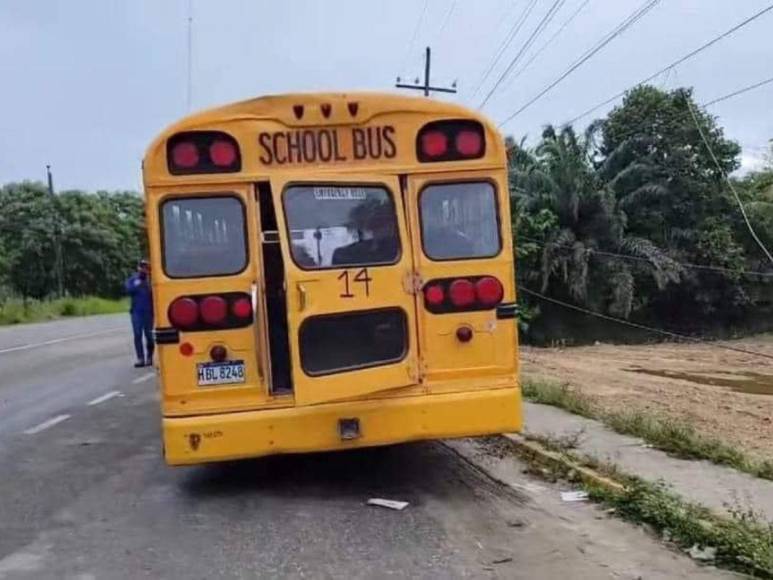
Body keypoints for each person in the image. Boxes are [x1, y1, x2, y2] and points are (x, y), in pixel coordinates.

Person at [125, 259, 154, 368]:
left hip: (149, 312)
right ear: (138, 268)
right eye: (142, 267)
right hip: (136, 312)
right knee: (137, 335)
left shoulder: (151, 280)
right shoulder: (133, 279)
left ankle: (150, 356)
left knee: (150, 336)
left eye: (146, 267)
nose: (143, 269)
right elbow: (128, 290)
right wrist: (138, 283)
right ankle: (140, 358)